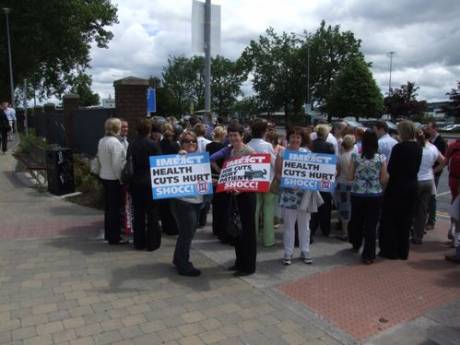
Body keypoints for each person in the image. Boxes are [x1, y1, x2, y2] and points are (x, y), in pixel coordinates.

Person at [210, 123, 257, 276]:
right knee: (237, 230)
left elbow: (256, 175)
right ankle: (239, 262)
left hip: (247, 196)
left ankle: (248, 267)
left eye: (236, 135)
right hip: (234, 196)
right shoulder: (230, 151)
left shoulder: (249, 151)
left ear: (242, 136)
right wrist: (219, 180)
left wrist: (242, 188)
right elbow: (230, 175)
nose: (233, 138)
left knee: (248, 232)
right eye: (230, 135)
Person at [276, 126, 322, 265]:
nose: (295, 139)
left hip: (304, 195)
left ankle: (305, 250)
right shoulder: (283, 153)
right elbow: (278, 173)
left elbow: (314, 173)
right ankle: (288, 253)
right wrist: (288, 183)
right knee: (289, 225)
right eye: (293, 137)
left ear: (302, 139)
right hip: (288, 193)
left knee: (305, 225)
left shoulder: (307, 153)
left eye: (298, 137)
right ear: (288, 138)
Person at [379, 121, 422, 260]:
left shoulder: (399, 148)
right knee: (406, 220)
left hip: (397, 186)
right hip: (412, 184)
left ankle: (390, 250)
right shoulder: (418, 147)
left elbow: (391, 169)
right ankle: (403, 251)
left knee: (390, 219)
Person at [349, 131, 387, 264]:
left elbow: (350, 176)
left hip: (358, 193)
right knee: (371, 225)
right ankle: (368, 255)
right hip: (374, 194)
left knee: (357, 220)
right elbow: (383, 179)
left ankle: (355, 243)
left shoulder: (356, 157)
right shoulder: (381, 158)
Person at [170, 131, 204, 276]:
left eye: (194, 141)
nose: (191, 143)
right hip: (184, 202)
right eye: (187, 141)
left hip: (197, 200)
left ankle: (178, 259)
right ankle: (184, 265)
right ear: (181, 144)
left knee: (188, 233)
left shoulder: (200, 158)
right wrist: (180, 156)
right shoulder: (179, 157)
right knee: (187, 234)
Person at [128, 119, 162, 250]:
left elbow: (129, 162)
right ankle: (152, 243)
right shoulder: (153, 145)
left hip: (136, 181)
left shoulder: (132, 144)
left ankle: (139, 242)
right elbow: (159, 164)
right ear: (149, 130)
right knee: (153, 213)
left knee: (138, 213)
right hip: (151, 182)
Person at [97, 118, 126, 244]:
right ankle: (115, 237)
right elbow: (117, 164)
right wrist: (121, 179)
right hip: (114, 179)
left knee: (108, 209)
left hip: (104, 176)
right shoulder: (115, 143)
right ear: (116, 128)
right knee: (115, 209)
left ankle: (109, 234)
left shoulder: (102, 141)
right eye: (120, 126)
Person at [247, 119, 276, 247]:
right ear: (264, 131)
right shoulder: (267, 146)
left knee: (254, 210)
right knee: (268, 210)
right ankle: (268, 240)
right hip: (267, 181)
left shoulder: (247, 145)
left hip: (252, 182)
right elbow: (274, 163)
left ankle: (252, 237)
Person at [412, 129, 444, 244]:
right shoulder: (433, 148)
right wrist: (433, 171)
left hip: (416, 180)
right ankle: (418, 236)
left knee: (411, 208)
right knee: (422, 210)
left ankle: (410, 231)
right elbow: (443, 161)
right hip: (428, 181)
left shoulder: (415, 148)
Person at [310, 124, 335, 238]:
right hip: (325, 177)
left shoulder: (311, 145)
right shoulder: (329, 146)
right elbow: (333, 163)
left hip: (312, 176)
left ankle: (312, 228)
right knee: (325, 204)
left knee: (313, 203)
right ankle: (325, 229)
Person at [206, 126, 229, 241]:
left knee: (215, 203)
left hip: (211, 175)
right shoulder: (224, 147)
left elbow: (208, 159)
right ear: (222, 135)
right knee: (222, 204)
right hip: (221, 176)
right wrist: (220, 170)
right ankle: (221, 228)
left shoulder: (208, 146)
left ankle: (215, 228)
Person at [425, 121, 447, 230]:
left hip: (435, 173)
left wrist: (434, 171)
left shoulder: (440, 141)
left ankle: (431, 221)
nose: (426, 130)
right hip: (427, 172)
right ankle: (425, 218)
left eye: (428, 128)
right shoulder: (429, 140)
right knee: (426, 198)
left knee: (432, 197)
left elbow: (444, 160)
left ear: (435, 129)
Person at [158, 129, 180, 236]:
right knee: (173, 205)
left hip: (162, 177)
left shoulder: (159, 145)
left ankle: (166, 226)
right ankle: (173, 228)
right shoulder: (175, 145)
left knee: (164, 206)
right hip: (173, 176)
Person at [335, 134, 355, 241]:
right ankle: (351, 230)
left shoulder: (341, 157)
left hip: (342, 184)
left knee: (344, 208)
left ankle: (344, 232)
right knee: (352, 207)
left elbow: (337, 172)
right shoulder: (356, 156)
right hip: (353, 185)